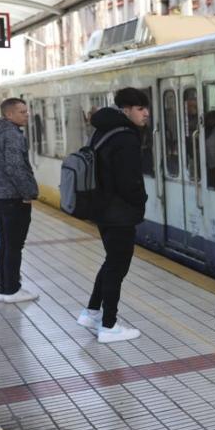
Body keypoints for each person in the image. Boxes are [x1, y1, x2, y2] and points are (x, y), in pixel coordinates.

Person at [76, 87, 150, 343]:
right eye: (141, 109)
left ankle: (92, 312)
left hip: (103, 210)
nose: (146, 114)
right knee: (118, 266)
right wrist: (141, 200)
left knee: (111, 262)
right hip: (120, 213)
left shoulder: (102, 130)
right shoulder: (127, 137)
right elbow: (129, 181)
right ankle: (109, 325)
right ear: (126, 110)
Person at [0, 98, 40, 303]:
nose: (26, 115)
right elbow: (15, 167)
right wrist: (28, 193)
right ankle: (12, 290)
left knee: (7, 244)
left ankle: (5, 287)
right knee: (14, 245)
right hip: (13, 197)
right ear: (9, 115)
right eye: (22, 112)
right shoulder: (12, 135)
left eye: (26, 111)